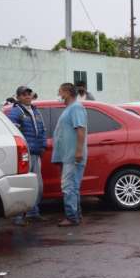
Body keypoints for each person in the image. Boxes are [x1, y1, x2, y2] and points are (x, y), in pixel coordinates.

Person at [8, 86, 47, 225]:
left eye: (29, 94)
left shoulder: (36, 111)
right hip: (23, 156)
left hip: (36, 154)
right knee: (22, 186)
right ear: (18, 97)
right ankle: (18, 217)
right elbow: (14, 134)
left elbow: (42, 130)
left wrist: (42, 146)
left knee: (38, 186)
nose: (28, 97)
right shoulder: (15, 112)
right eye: (24, 95)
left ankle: (33, 212)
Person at [52, 83, 88, 227]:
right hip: (67, 156)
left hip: (72, 156)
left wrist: (78, 151)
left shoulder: (76, 108)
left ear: (67, 92)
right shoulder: (70, 108)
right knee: (72, 186)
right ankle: (76, 215)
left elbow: (80, 129)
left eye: (60, 92)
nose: (59, 95)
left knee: (68, 186)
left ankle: (72, 217)